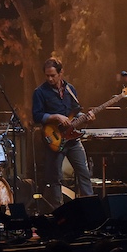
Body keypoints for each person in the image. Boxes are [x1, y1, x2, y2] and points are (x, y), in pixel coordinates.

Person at [31, 57, 94, 209]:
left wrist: (86, 118)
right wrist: (55, 116)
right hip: (54, 140)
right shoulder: (39, 92)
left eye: (53, 75)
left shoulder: (70, 90)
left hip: (73, 140)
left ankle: (90, 208)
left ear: (61, 73)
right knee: (55, 178)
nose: (50, 78)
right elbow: (37, 116)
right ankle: (58, 212)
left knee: (84, 173)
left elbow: (76, 113)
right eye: (47, 76)